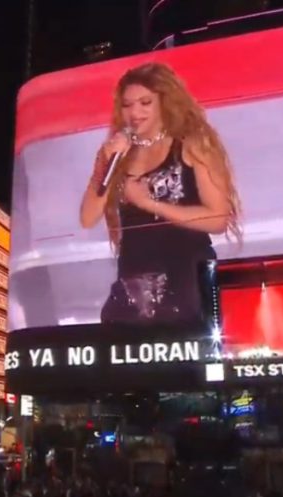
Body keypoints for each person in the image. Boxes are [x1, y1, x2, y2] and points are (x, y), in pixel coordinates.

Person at [79, 61, 242, 324]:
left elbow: (219, 219)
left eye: (145, 103)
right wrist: (104, 166)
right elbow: (87, 218)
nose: (135, 112)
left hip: (185, 280)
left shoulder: (191, 144)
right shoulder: (116, 154)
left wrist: (150, 203)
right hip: (133, 286)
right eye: (127, 104)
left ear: (164, 102)